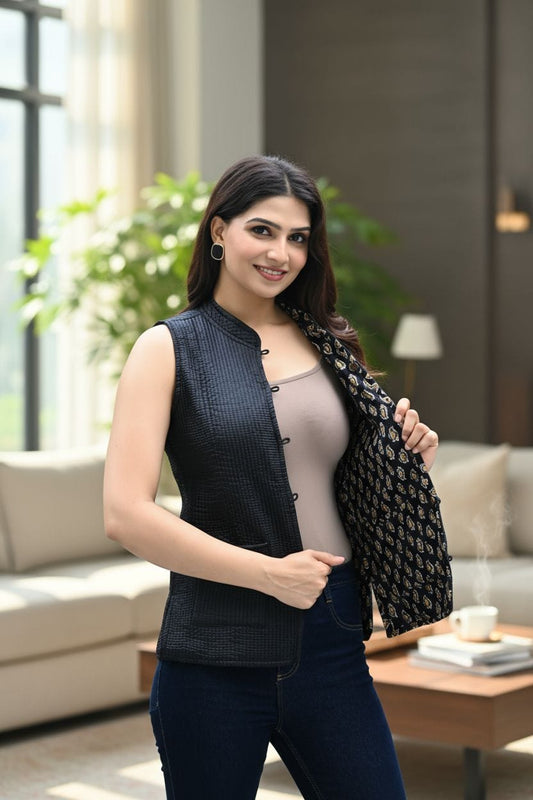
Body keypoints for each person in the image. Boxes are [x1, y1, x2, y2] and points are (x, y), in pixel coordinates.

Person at [103, 154, 453, 799]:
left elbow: (345, 483)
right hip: (213, 652)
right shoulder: (167, 348)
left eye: (297, 238)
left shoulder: (330, 343)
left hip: (331, 637)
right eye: (261, 230)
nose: (280, 253)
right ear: (219, 230)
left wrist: (403, 455)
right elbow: (125, 513)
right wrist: (268, 574)